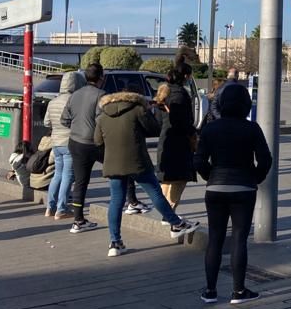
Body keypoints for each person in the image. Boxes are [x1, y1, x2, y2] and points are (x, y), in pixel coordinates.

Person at [94, 87, 199, 257]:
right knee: (155, 193)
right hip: (137, 161)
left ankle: (115, 242)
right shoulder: (137, 109)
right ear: (132, 98)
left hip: (113, 163)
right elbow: (154, 129)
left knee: (116, 201)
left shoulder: (103, 115)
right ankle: (176, 224)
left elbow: (97, 140)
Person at [195, 83, 273, 305]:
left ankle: (210, 290)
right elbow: (265, 159)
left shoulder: (211, 128)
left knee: (215, 239)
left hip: (215, 187)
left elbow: (199, 160)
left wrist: (210, 176)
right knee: (239, 238)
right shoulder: (251, 128)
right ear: (246, 104)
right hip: (244, 187)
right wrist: (254, 178)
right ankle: (239, 291)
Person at [61, 62, 107, 233]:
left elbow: (64, 120)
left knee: (80, 181)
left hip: (75, 142)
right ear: (101, 77)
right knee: (118, 169)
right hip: (94, 143)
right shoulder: (101, 95)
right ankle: (131, 201)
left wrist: (76, 127)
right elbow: (102, 119)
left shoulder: (75, 95)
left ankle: (78, 219)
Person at [44, 70, 86, 219]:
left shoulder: (53, 102)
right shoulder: (75, 101)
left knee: (57, 175)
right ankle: (61, 209)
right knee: (68, 176)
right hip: (69, 142)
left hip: (56, 142)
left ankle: (50, 207)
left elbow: (46, 122)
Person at [157, 69, 198, 210]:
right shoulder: (180, 95)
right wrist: (192, 133)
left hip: (166, 140)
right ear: (184, 77)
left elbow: (158, 120)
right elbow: (183, 121)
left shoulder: (163, 92)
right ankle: (169, 216)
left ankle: (166, 213)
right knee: (178, 181)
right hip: (179, 144)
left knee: (167, 181)